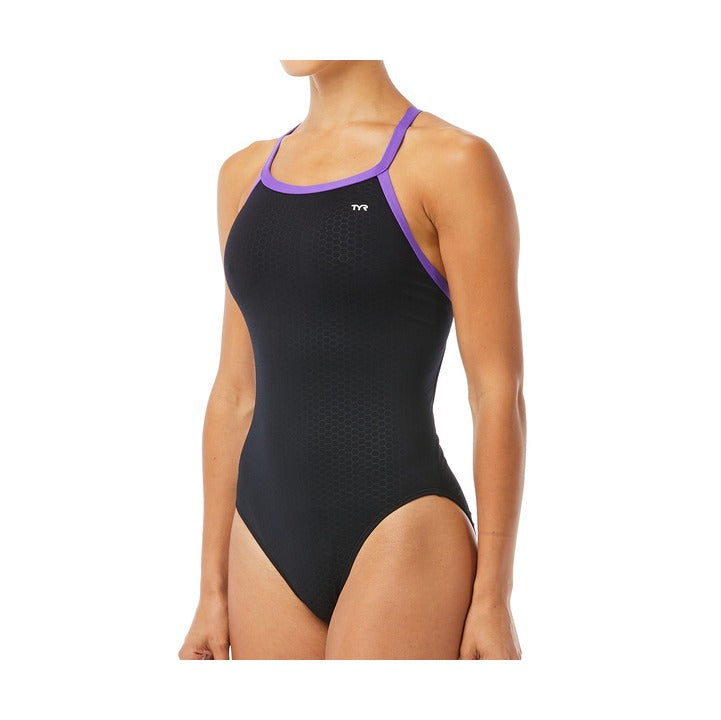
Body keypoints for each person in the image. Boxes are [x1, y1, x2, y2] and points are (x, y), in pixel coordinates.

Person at [178, 60, 525, 660]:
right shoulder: (243, 176)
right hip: (262, 542)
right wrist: (211, 591)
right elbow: (235, 391)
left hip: (402, 526)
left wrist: (493, 597)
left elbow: (496, 391)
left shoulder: (451, 161)